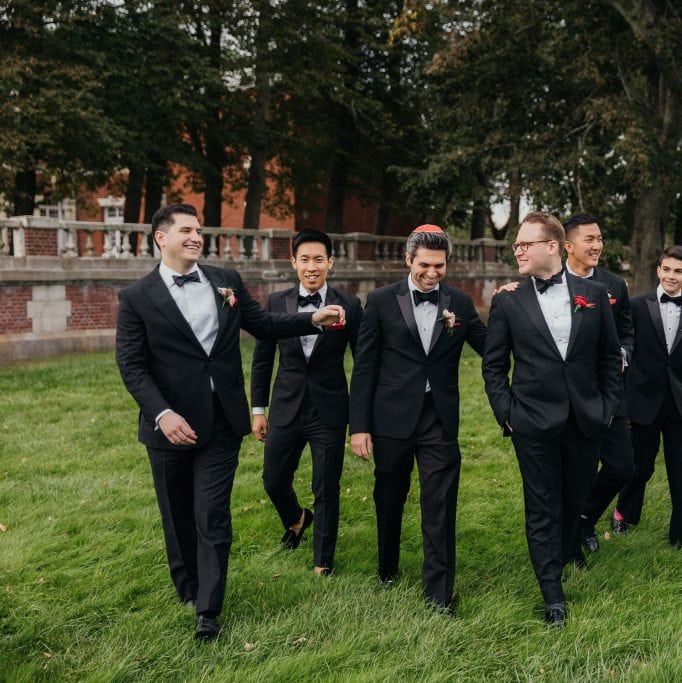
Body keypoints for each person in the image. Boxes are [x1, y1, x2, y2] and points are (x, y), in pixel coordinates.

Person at [115, 204, 345, 640]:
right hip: (168, 428)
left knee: (212, 514)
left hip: (221, 422)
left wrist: (311, 318)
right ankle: (187, 587)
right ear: (160, 238)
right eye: (185, 230)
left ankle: (209, 608)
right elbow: (131, 365)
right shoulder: (136, 297)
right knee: (177, 514)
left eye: (198, 230)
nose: (195, 237)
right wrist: (162, 415)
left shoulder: (226, 282)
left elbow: (263, 324)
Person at [481, 211, 621, 626]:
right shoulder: (507, 300)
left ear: (553, 247)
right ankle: (552, 593)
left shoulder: (593, 294)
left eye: (525, 243)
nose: (517, 250)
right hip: (531, 423)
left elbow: (610, 358)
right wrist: (507, 415)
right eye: (516, 245)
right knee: (541, 507)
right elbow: (493, 366)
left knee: (573, 501)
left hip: (585, 420)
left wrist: (607, 407)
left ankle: (558, 559)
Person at [348, 224, 486, 614]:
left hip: (438, 418)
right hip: (390, 417)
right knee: (389, 497)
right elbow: (364, 367)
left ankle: (439, 593)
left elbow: (490, 344)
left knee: (440, 502)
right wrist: (358, 426)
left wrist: (512, 304)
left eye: (439, 266)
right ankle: (387, 567)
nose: (431, 273)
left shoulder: (458, 303)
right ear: (408, 260)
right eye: (424, 264)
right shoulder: (379, 300)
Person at [250, 230, 363, 576]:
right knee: (272, 479)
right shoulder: (275, 303)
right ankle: (297, 518)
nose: (311, 267)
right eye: (304, 259)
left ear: (330, 262)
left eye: (319, 259)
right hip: (286, 405)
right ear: (293, 262)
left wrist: (361, 420)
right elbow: (262, 360)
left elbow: (363, 363)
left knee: (326, 486)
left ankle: (322, 562)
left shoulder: (351, 305)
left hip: (329, 410)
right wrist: (258, 409)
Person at [615, 246, 682, 547]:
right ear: (658, 270)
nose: (671, 276)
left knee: (680, 468)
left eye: (678, 271)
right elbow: (626, 353)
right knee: (640, 465)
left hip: (679, 400)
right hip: (643, 399)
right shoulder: (637, 305)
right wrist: (623, 402)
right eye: (667, 269)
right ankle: (622, 513)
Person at [560, 214, 635, 559]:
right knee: (580, 469)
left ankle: (585, 517)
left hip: (610, 393)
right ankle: (571, 534)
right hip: (571, 398)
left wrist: (622, 351)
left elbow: (626, 331)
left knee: (622, 467)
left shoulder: (615, 285)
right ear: (568, 245)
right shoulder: (552, 284)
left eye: (600, 238)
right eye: (589, 239)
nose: (597, 246)